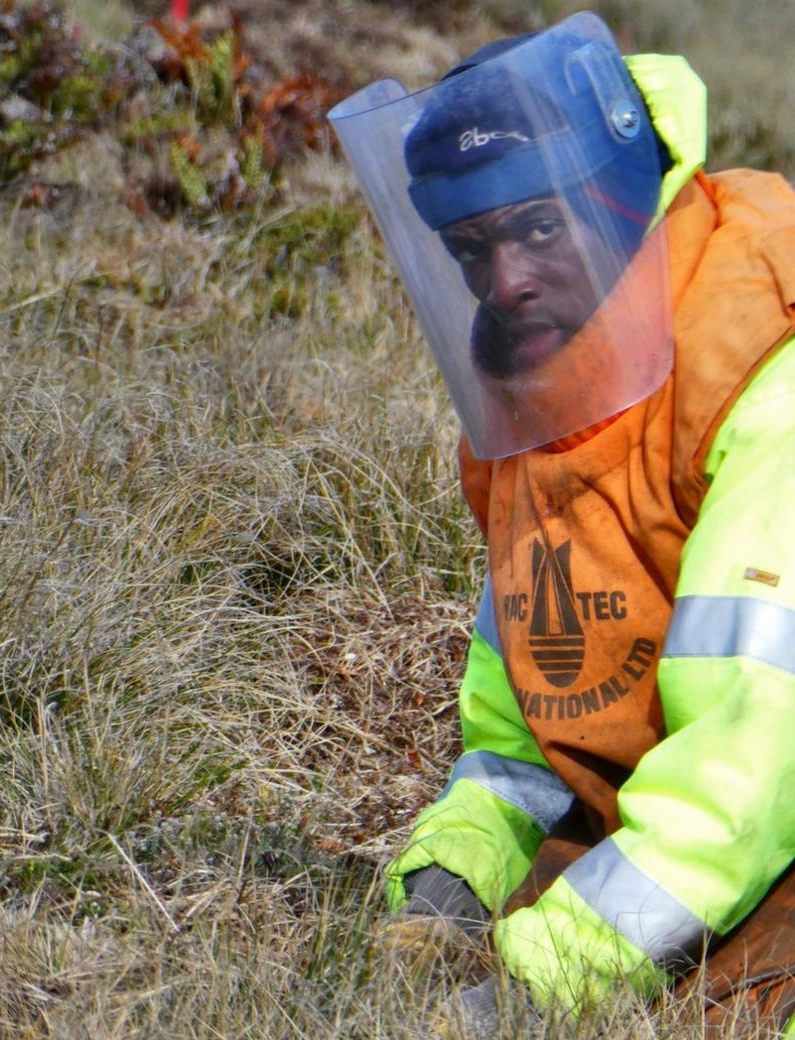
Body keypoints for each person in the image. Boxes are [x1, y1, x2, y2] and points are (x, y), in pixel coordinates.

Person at [328, 11, 795, 1035]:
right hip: (714, 829)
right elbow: (532, 719)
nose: (503, 282)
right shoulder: (542, 385)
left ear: (621, 198)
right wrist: (452, 879)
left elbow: (753, 750)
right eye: (469, 246)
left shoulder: (763, 374)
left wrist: (538, 986)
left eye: (538, 227)